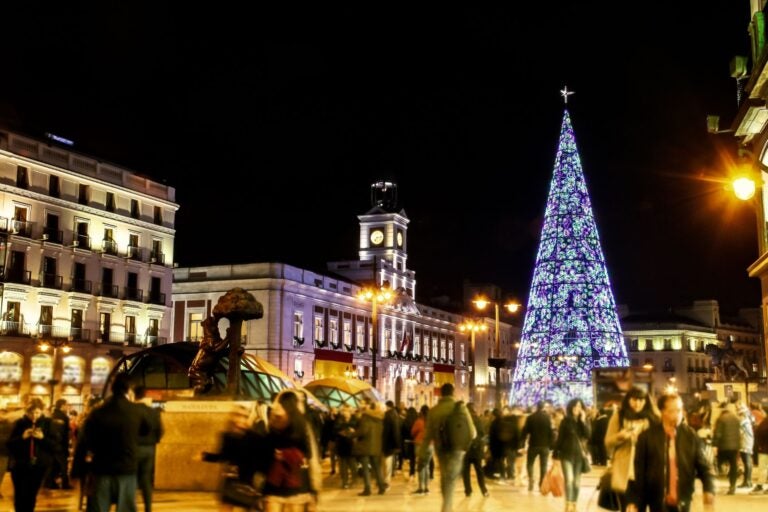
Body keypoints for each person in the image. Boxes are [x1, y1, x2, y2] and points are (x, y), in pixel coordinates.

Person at [627, 394, 715, 512]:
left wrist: (709, 490)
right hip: (656, 502)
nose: (677, 414)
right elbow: (638, 473)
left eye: (679, 410)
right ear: (663, 411)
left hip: (683, 501)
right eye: (672, 411)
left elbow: (705, 468)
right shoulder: (647, 437)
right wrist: (634, 502)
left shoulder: (691, 436)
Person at [82, 373, 149, 512]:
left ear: (112, 389)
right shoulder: (137, 411)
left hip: (101, 468)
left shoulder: (97, 412)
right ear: (129, 390)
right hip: (126, 468)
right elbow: (146, 431)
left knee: (98, 507)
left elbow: (86, 439)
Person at [260, 389, 322, 512]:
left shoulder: (272, 425)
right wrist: (314, 488)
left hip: (276, 484)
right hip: (297, 484)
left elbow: (264, 454)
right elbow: (310, 457)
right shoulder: (302, 425)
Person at [417, 383, 476, 512]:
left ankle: (446, 508)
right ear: (453, 393)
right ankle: (447, 508)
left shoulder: (434, 411)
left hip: (441, 450)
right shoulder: (461, 408)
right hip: (458, 450)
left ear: (441, 394)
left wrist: (422, 455)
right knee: (449, 479)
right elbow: (473, 432)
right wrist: (464, 446)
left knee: (446, 478)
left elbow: (427, 437)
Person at [604, 387, 659, 511]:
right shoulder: (620, 416)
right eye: (634, 399)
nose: (637, 403)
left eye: (641, 400)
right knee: (628, 508)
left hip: (648, 472)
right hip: (627, 473)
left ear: (646, 401)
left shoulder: (654, 418)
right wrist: (620, 436)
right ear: (628, 400)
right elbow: (608, 442)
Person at [6, 399, 53, 512]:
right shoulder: (20, 423)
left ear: (42, 411)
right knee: (19, 495)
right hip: (20, 465)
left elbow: (55, 446)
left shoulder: (48, 423)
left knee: (31, 495)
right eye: (31, 412)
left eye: (37, 412)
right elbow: (9, 444)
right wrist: (22, 438)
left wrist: (43, 439)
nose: (34, 416)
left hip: (39, 466)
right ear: (26, 412)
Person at [553, 398, 591, 512]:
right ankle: (568, 504)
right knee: (569, 480)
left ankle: (574, 503)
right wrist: (555, 454)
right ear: (571, 407)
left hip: (579, 457)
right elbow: (560, 439)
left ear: (582, 409)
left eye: (579, 407)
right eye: (575, 406)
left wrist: (583, 421)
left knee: (577, 483)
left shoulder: (584, 421)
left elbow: (588, 435)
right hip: (566, 455)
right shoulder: (566, 421)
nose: (577, 409)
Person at [134, 386, 164, 512]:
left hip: (134, 448)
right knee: (146, 479)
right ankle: (148, 508)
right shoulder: (152, 412)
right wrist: (154, 441)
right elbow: (160, 430)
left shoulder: (131, 410)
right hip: (149, 449)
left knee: (132, 478)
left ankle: (131, 506)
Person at [522, 400, 555, 492]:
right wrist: (551, 445)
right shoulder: (548, 418)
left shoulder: (530, 418)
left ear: (536, 407)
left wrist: (522, 443)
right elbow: (551, 432)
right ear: (543, 407)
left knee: (530, 464)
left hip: (533, 444)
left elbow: (525, 431)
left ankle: (531, 481)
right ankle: (541, 483)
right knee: (543, 465)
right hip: (545, 446)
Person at [462, 402, 489, 497]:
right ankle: (484, 490)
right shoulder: (478, 420)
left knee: (466, 471)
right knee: (479, 471)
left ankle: (468, 490)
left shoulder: (464, 420)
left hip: (466, 450)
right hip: (476, 450)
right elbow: (482, 434)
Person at [46, 398, 73, 489]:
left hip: (53, 445)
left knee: (54, 465)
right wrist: (64, 445)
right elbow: (61, 433)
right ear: (62, 406)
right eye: (67, 405)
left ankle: (51, 483)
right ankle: (65, 484)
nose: (68, 407)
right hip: (60, 445)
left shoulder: (53, 415)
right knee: (63, 465)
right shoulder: (62, 417)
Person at [411, 404, 430, 495]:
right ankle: (426, 487)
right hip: (431, 445)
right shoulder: (431, 421)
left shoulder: (419, 421)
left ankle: (421, 487)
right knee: (426, 466)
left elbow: (413, 432)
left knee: (421, 466)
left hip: (420, 444)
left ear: (421, 412)